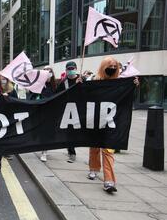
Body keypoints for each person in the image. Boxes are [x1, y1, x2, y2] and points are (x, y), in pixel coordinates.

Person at [87, 56, 139, 194]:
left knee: (108, 150)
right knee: (94, 147)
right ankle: (93, 168)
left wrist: (132, 86)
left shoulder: (120, 83)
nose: (112, 69)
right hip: (95, 121)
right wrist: (80, 85)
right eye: (110, 66)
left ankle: (109, 180)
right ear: (103, 67)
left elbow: (126, 100)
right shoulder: (94, 81)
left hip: (111, 123)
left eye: (115, 67)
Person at [57, 61, 84, 163]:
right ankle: (72, 152)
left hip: (80, 110)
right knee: (69, 132)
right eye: (69, 69)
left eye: (72, 68)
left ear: (76, 69)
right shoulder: (64, 82)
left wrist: (81, 85)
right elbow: (57, 95)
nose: (71, 71)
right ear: (66, 70)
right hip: (68, 111)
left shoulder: (82, 80)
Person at [38, 66, 58, 162]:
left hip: (52, 111)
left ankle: (44, 150)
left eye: (49, 70)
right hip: (41, 110)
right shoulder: (39, 84)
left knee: (48, 131)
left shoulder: (55, 85)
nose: (47, 72)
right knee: (42, 131)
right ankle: (43, 150)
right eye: (45, 70)